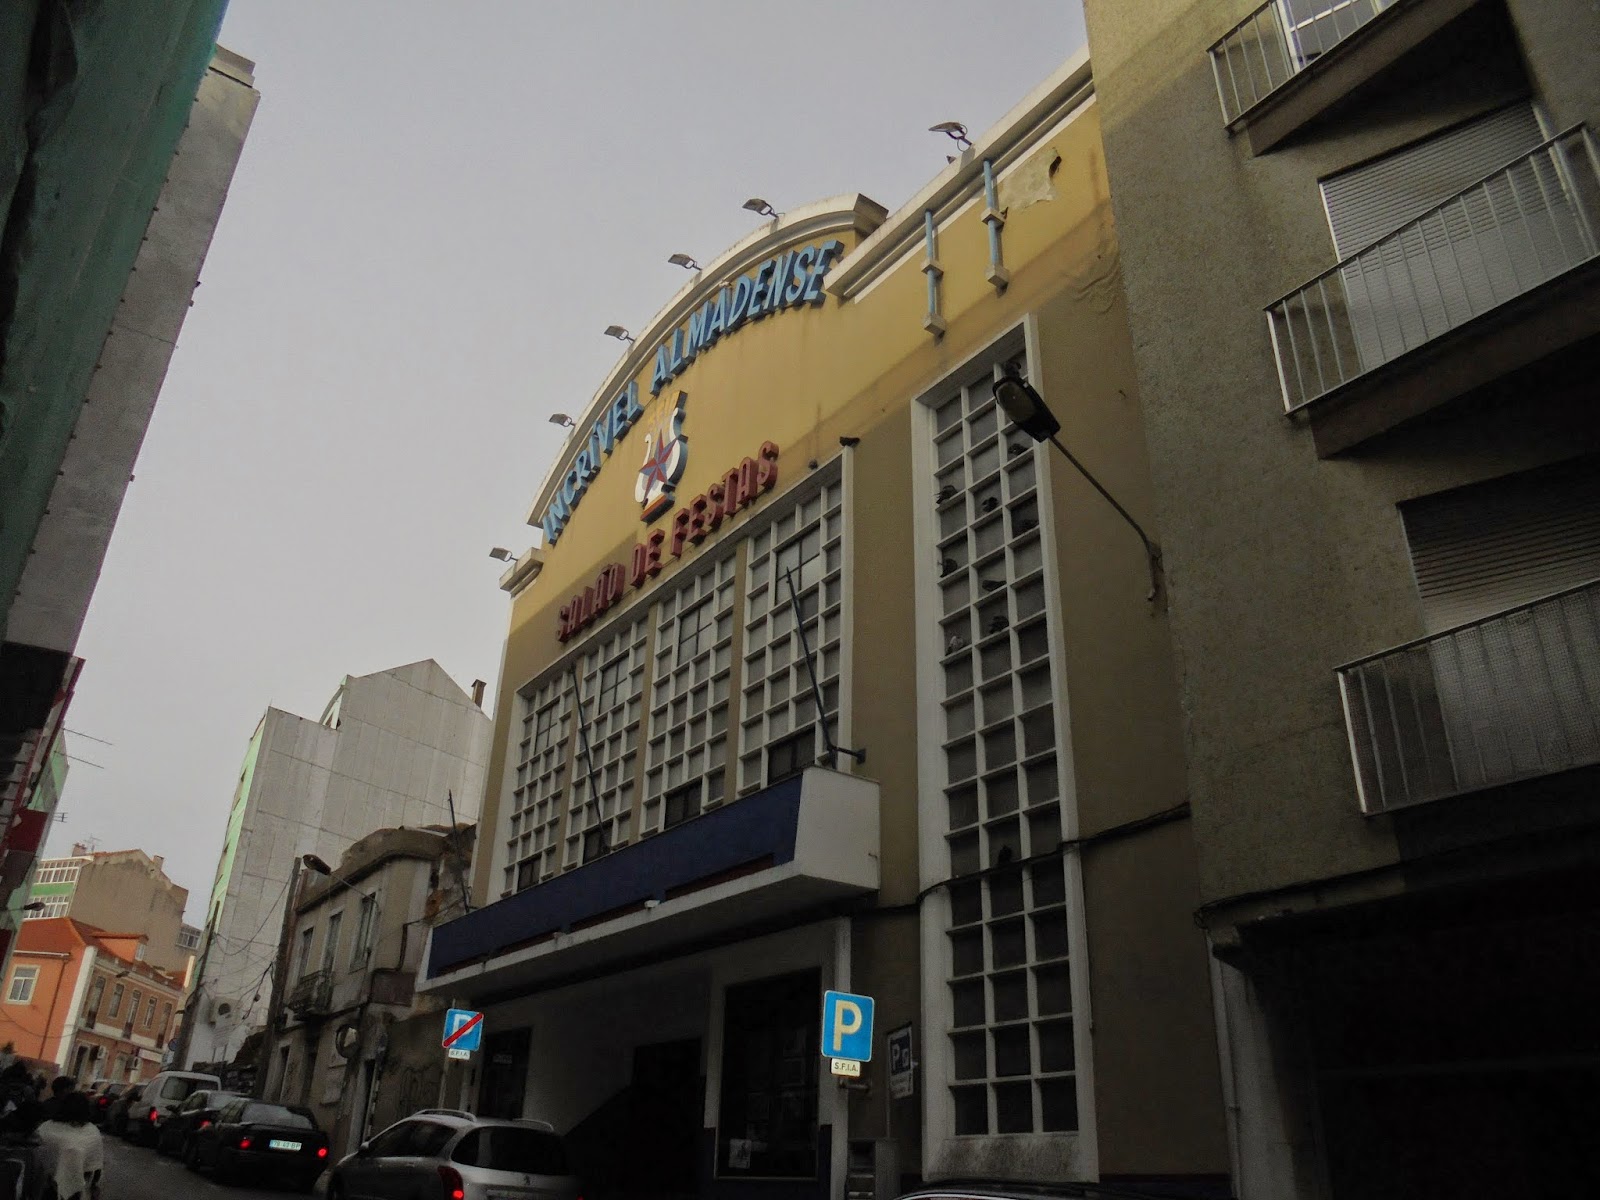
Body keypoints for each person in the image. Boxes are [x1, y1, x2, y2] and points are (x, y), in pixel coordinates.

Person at [35, 1092, 102, 1200]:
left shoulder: (47, 1127)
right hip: (75, 1185)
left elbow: (38, 1151)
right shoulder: (91, 1131)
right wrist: (93, 1186)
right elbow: (95, 1165)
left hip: (45, 1183)